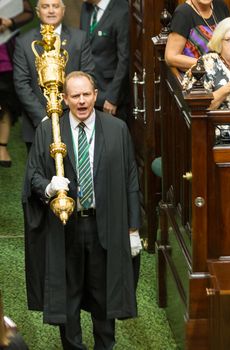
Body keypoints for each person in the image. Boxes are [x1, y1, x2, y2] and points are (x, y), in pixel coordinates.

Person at [22, 71, 142, 349]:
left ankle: (105, 345)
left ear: (96, 95)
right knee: (69, 296)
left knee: (104, 297)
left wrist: (133, 228)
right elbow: (33, 177)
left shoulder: (117, 129)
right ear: (64, 98)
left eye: (87, 94)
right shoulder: (49, 130)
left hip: (105, 225)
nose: (82, 101)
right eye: (75, 95)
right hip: (66, 227)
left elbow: (130, 179)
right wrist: (49, 188)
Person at [13, 0, 95, 152]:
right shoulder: (24, 42)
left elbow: (88, 76)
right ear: (38, 12)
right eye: (45, 6)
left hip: (75, 119)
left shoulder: (80, 38)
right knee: (40, 174)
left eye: (55, 6)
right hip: (37, 124)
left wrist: (72, 115)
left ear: (63, 11)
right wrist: (44, 119)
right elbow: (21, 83)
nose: (51, 11)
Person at [80, 0, 130, 121]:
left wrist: (113, 98)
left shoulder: (122, 11)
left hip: (109, 94)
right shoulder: (86, 8)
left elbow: (125, 58)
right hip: (87, 91)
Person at [0, 0, 34, 167]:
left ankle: (2, 147)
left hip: (5, 51)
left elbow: (28, 13)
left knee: (6, 101)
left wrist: (9, 22)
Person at [182, 16, 230, 110]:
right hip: (221, 122)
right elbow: (199, 109)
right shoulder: (206, 64)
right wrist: (229, 87)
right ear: (219, 41)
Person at [165, 0, 230, 71]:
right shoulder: (183, 13)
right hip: (200, 76)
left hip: (227, 71)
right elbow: (171, 57)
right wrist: (208, 64)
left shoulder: (221, 6)